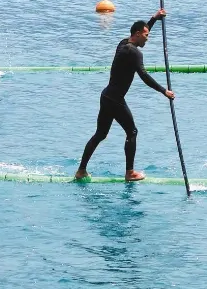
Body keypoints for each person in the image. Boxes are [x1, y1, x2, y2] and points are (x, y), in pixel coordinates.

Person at [75, 10, 175, 182]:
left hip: (106, 96)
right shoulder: (135, 53)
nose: (147, 38)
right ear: (137, 34)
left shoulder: (123, 44)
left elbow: (140, 31)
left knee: (100, 134)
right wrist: (163, 91)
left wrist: (153, 19)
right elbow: (144, 76)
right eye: (146, 35)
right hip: (115, 100)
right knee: (132, 132)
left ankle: (81, 170)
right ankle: (130, 172)